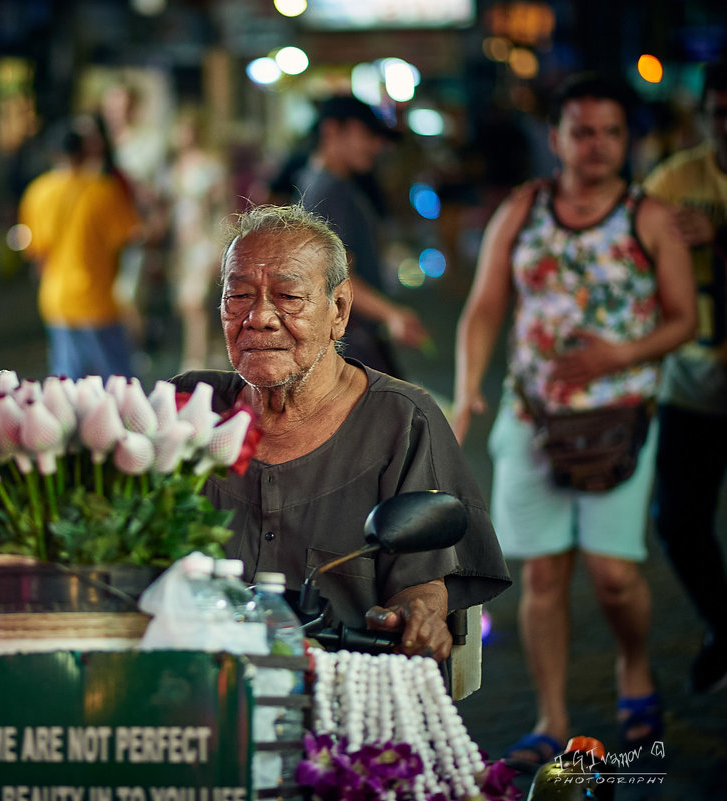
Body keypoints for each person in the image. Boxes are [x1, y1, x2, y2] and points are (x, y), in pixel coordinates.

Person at [452, 73, 697, 766]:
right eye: (582, 130)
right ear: (555, 137)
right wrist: (469, 387)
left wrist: (622, 353)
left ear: (627, 140)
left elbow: (684, 320)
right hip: (532, 422)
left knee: (615, 574)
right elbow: (484, 307)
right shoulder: (522, 211)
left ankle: (634, 665)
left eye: (611, 132)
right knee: (540, 577)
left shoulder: (649, 217)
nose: (596, 145)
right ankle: (551, 717)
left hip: (619, 425)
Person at [172, 203, 511, 662]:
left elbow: (422, 583)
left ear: (339, 310)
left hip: (342, 693)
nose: (260, 318)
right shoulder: (189, 407)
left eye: (289, 298)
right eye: (239, 296)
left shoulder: (402, 421)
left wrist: (417, 615)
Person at [642, 59, 727, 695]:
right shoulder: (674, 181)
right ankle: (723, 622)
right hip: (693, 377)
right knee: (677, 518)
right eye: (718, 115)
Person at [296, 95, 430, 379]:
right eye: (367, 135)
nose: (375, 146)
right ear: (332, 130)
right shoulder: (329, 191)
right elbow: (334, 275)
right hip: (351, 342)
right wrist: (390, 313)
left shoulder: (322, 183)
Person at [18, 116, 144, 379]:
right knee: (116, 385)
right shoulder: (102, 191)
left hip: (55, 300)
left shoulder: (37, 192)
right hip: (97, 300)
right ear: (85, 152)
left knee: (67, 385)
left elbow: (35, 250)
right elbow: (129, 236)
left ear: (53, 153)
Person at [163, 109, 229, 371]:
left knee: (195, 301)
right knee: (186, 302)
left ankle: (194, 358)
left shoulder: (210, 165)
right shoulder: (176, 166)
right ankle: (209, 352)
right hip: (182, 240)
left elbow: (224, 206)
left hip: (204, 238)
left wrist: (222, 243)